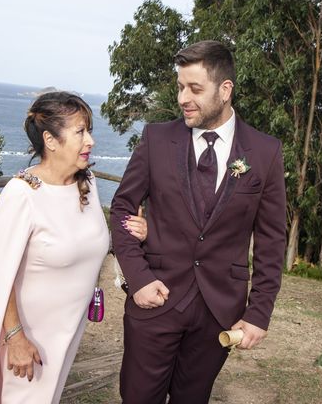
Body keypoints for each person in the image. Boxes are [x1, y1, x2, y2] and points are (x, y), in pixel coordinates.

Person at [111, 40, 287, 403]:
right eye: (179, 87)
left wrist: (259, 313)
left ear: (225, 90)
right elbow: (123, 208)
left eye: (194, 89)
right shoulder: (156, 139)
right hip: (154, 300)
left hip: (219, 311)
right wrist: (138, 278)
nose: (182, 98)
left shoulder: (265, 152)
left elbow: (272, 241)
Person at [0, 91, 146, 403]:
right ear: (50, 140)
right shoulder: (21, 194)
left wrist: (136, 229)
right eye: (80, 132)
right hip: (28, 336)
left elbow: (89, 238)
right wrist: (15, 338)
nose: (90, 141)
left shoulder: (89, 182)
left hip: (66, 331)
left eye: (89, 131)